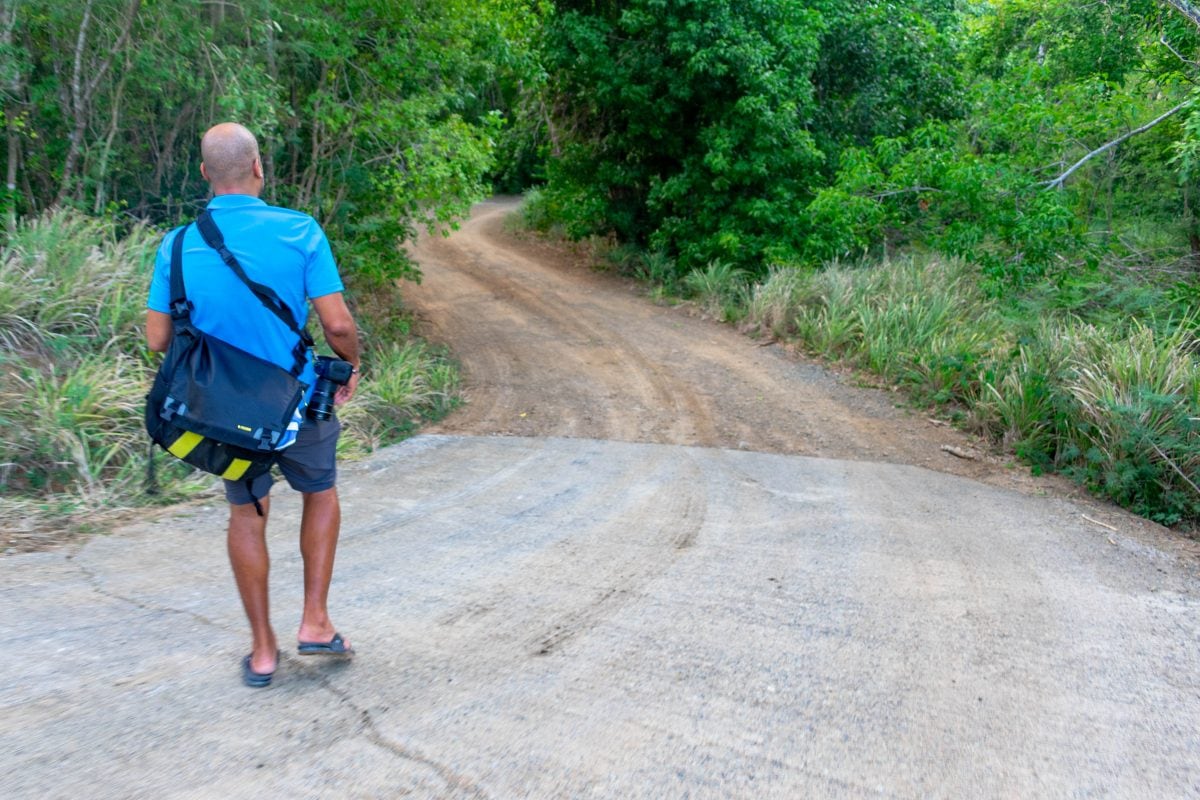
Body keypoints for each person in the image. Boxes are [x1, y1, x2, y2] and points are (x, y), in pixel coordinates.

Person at [146, 122, 361, 688]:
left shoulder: (176, 245)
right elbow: (337, 324)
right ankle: (314, 622)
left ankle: (263, 653)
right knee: (320, 492)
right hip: (297, 405)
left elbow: (158, 339)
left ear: (203, 174)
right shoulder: (300, 231)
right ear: (259, 167)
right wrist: (350, 365)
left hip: (221, 415)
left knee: (246, 513)